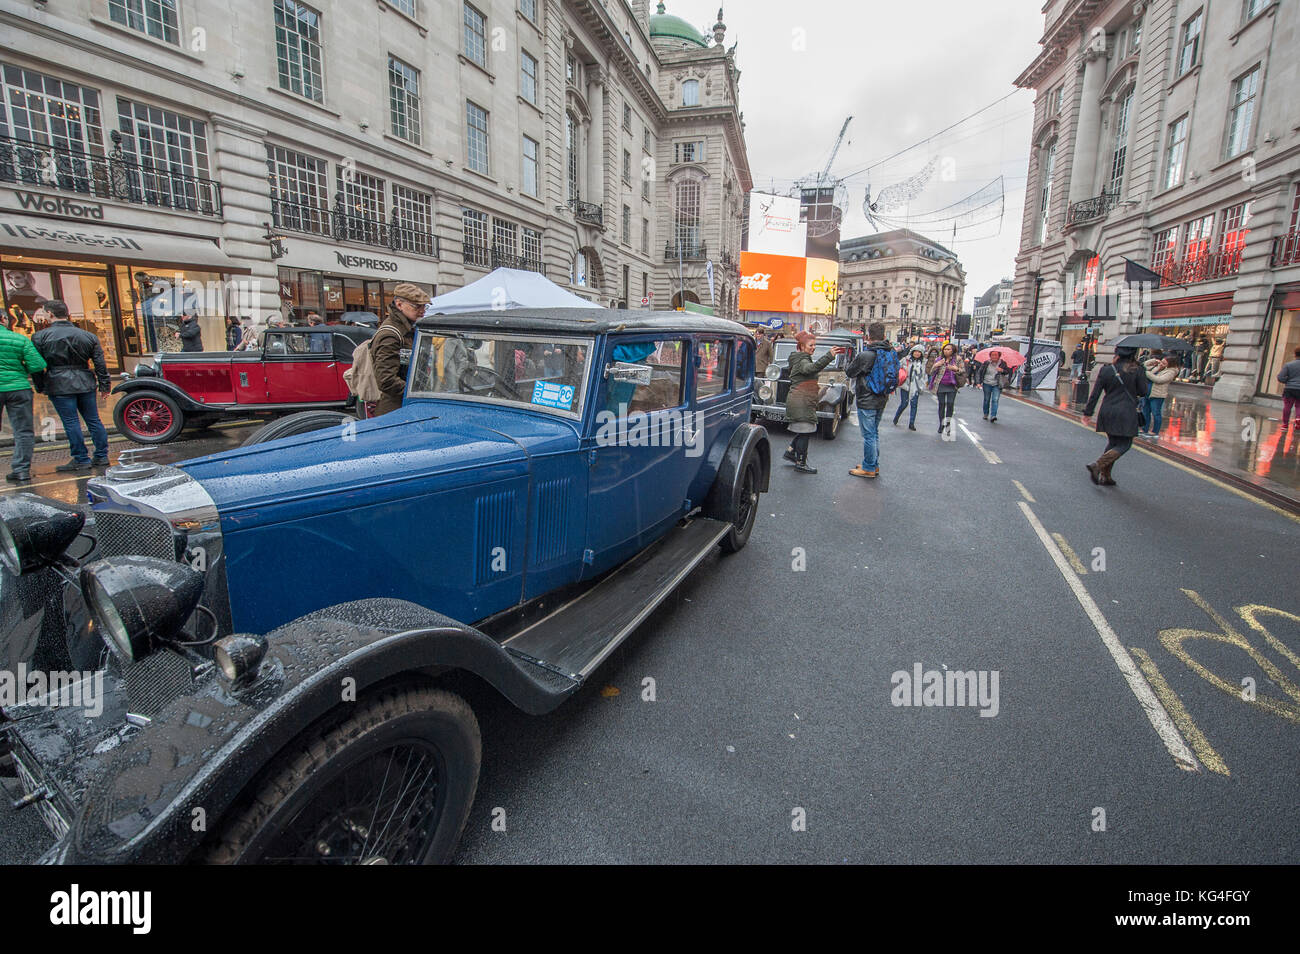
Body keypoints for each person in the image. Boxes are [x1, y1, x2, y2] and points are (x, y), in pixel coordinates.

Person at [31, 300, 112, 472]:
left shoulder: (40, 337)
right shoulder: (88, 336)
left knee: (71, 422)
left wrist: (40, 385)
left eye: (45, 313)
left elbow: (36, 365)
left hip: (58, 381)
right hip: (85, 380)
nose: (44, 316)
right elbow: (100, 363)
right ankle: (101, 455)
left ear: (50, 314)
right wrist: (104, 385)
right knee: (93, 420)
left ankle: (81, 458)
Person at [1083, 346, 1150, 486]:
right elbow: (1143, 391)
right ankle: (1098, 465)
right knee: (1125, 444)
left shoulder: (1107, 369)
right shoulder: (1137, 370)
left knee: (1113, 442)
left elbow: (1095, 393)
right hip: (1126, 412)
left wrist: (1088, 412)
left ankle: (1106, 476)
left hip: (1107, 410)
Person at [782, 331, 843, 474]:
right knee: (805, 432)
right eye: (811, 345)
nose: (813, 347)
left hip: (802, 400)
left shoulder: (802, 358)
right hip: (801, 401)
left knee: (805, 430)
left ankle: (790, 452)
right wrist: (829, 356)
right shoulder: (803, 360)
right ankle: (801, 463)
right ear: (802, 346)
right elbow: (811, 369)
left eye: (815, 345)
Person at [1, 313, 47, 483]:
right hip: (18, 387)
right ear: (3, 320)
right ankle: (21, 470)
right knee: (23, 430)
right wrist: (19, 371)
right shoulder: (19, 339)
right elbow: (38, 365)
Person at [373, 282, 430, 416]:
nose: (422, 310)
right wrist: (416, 392)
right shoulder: (390, 334)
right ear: (399, 304)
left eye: (424, 306)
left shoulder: (409, 328)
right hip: (395, 409)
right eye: (417, 306)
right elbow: (386, 380)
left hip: (407, 405)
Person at [846, 322, 893, 478]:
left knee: (868, 435)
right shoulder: (889, 352)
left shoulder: (866, 355)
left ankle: (868, 468)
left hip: (867, 399)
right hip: (882, 397)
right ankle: (873, 463)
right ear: (884, 336)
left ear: (868, 337)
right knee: (874, 433)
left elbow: (850, 372)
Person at [928, 342, 965, 435]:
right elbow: (931, 372)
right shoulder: (939, 359)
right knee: (941, 404)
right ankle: (941, 424)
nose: (946, 351)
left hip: (952, 385)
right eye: (945, 349)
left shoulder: (958, 359)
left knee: (950, 403)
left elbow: (963, 371)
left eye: (948, 349)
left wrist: (955, 369)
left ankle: (948, 424)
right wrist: (936, 365)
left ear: (953, 351)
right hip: (940, 384)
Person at [1141, 351, 1178, 439]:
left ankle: (1155, 431)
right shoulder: (1158, 367)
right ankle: (1144, 429)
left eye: (1164, 363)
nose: (1161, 363)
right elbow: (1143, 366)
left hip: (1157, 395)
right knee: (1145, 412)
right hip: (1148, 392)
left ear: (1170, 364)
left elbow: (1159, 380)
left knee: (1156, 413)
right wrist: (1153, 361)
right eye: (1161, 361)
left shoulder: (1171, 372)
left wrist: (1147, 373)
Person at [892, 346, 926, 430]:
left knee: (914, 405)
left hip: (916, 386)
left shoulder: (923, 362)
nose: (917, 353)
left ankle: (911, 423)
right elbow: (897, 367)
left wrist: (923, 384)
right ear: (912, 352)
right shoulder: (905, 359)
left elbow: (924, 375)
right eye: (915, 351)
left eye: (919, 352)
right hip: (906, 385)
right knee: (904, 403)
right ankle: (896, 417)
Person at [977, 349, 1014, 423]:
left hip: (997, 384)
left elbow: (1008, 372)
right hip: (986, 383)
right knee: (986, 399)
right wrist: (978, 382)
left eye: (996, 355)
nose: (994, 356)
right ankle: (986, 413)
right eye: (992, 355)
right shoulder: (986, 363)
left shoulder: (1003, 363)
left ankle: (993, 415)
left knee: (995, 399)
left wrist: (1002, 370)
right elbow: (980, 372)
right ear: (990, 356)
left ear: (999, 356)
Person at [1278, 345, 1300, 428]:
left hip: (1290, 389)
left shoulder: (1288, 365)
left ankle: (1285, 424)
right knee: (1299, 406)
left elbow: (1280, 377)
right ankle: (1298, 419)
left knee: (1287, 407)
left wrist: (1287, 381)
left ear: (1295, 354)